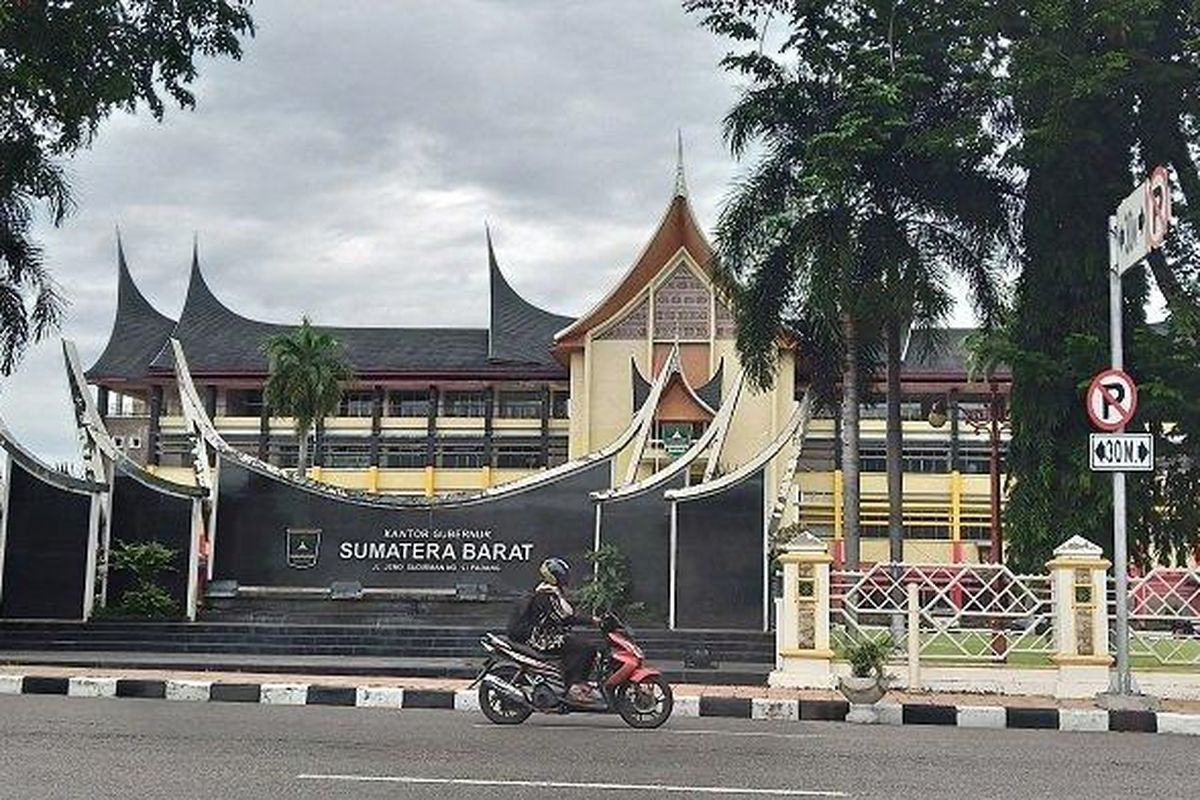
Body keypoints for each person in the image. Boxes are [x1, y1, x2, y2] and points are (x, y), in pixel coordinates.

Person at [521, 557, 601, 704]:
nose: (565, 578)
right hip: (544, 638)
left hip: (552, 634)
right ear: (553, 577)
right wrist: (591, 620)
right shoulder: (545, 595)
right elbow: (564, 617)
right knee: (586, 648)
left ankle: (575, 682)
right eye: (561, 575)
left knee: (579, 645)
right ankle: (575, 686)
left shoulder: (551, 592)